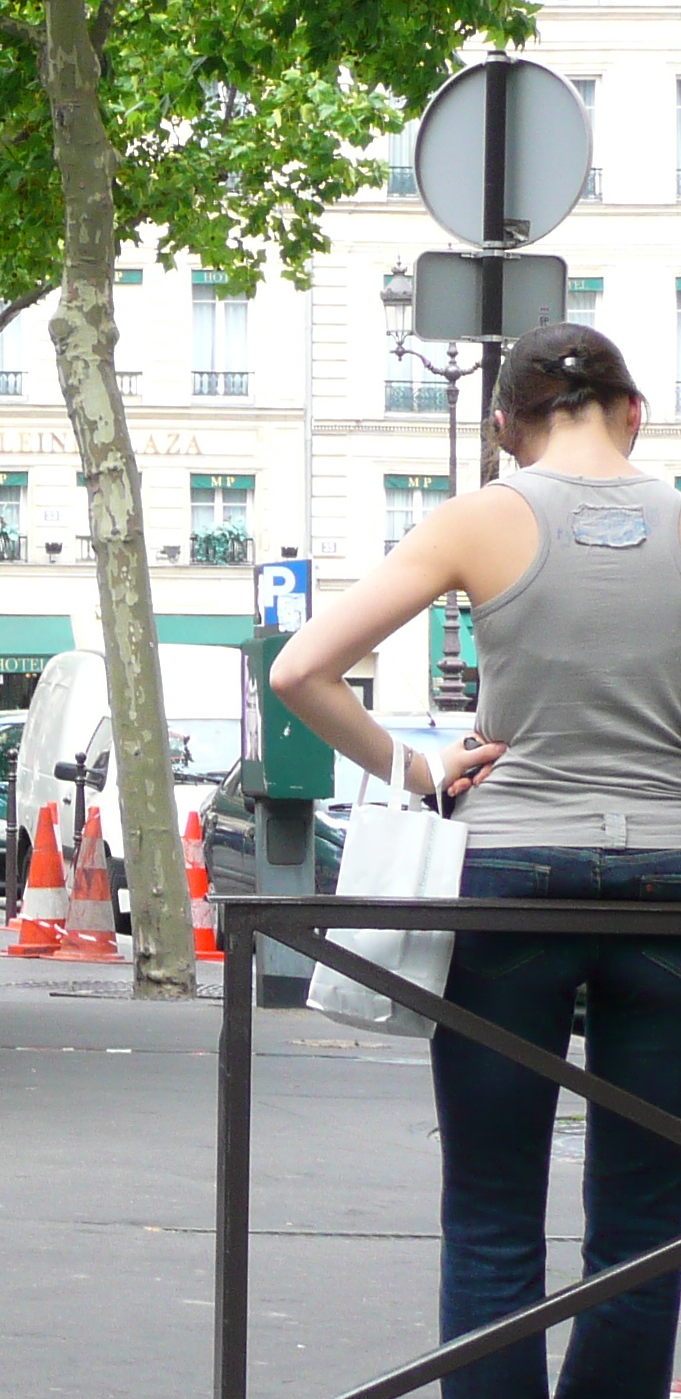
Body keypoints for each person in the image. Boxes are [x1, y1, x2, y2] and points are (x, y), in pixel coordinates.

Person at [268, 324, 681, 1397]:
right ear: (633, 413)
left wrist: (417, 769)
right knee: (648, 1225)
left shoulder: (481, 519)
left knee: (491, 1210)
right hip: (670, 891)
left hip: (509, 880)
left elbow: (301, 669)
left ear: (504, 426)